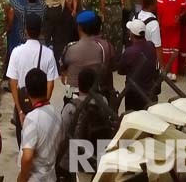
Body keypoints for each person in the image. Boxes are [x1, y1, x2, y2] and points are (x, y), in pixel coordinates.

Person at [7, 14, 59, 145]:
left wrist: (19, 110)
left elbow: (12, 82)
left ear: (25, 30)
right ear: (41, 30)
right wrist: (43, 104)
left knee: (24, 145)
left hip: (22, 104)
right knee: (41, 143)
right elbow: (51, 84)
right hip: (40, 103)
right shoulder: (48, 53)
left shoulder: (16, 52)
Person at [57, 68, 114, 180]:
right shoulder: (103, 101)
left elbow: (61, 134)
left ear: (79, 84)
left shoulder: (71, 107)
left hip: (73, 162)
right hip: (97, 155)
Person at [18, 68, 62, 182]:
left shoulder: (32, 118)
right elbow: (62, 144)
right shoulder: (57, 113)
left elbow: (27, 157)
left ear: (27, 91)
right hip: (51, 177)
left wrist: (21, 179)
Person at [60, 11, 114, 101]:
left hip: (74, 96)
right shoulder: (107, 46)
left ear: (79, 28)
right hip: (98, 95)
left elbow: (63, 70)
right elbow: (112, 67)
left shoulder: (71, 48)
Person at [155, 0, 186, 80]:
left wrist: (159, 21)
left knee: (165, 45)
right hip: (176, 21)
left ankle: (165, 70)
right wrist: (179, 16)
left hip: (164, 20)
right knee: (175, 46)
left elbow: (158, 6)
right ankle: (174, 72)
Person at [117, 19, 157, 111]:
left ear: (131, 34)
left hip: (134, 92)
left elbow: (120, 70)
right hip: (150, 89)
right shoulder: (151, 46)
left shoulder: (130, 51)